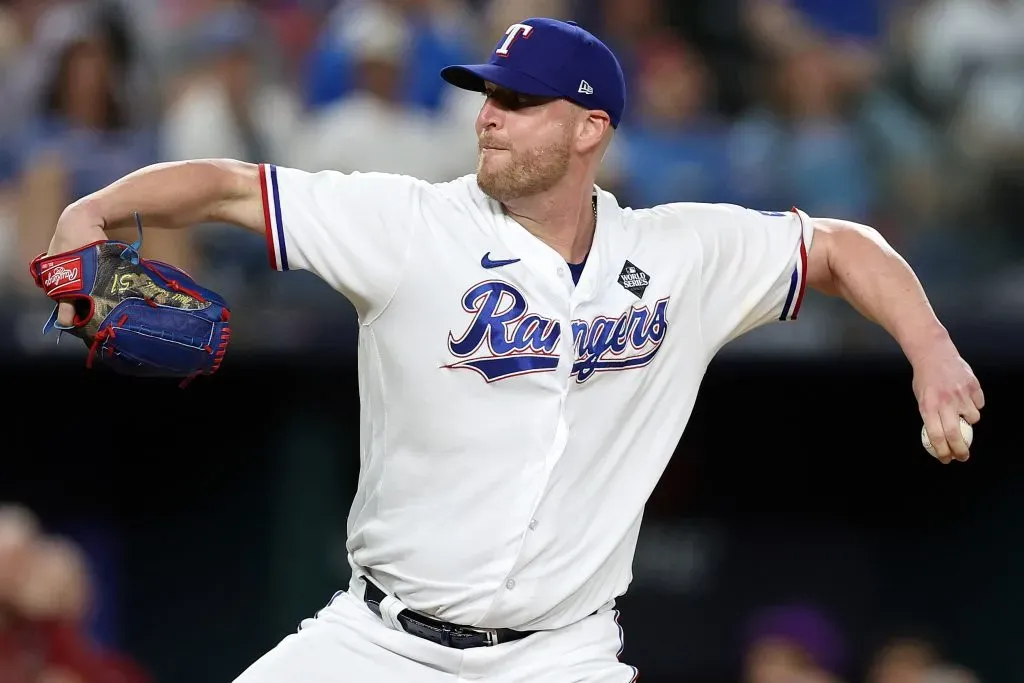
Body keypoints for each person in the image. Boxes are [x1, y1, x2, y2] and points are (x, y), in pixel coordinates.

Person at [37, 16, 985, 683]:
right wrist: (94, 209)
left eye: (521, 100)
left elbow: (841, 246)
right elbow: (230, 186)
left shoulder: (677, 254)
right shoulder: (408, 223)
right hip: (377, 648)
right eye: (489, 92)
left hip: (558, 655)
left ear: (590, 129)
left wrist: (930, 347)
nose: (489, 112)